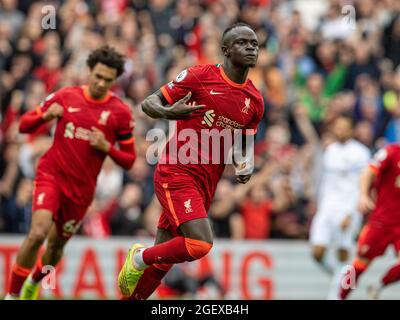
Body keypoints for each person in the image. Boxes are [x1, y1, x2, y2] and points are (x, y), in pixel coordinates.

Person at [118, 23, 264, 300]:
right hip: (177, 171)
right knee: (199, 243)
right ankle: (138, 257)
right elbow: (149, 103)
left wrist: (246, 164)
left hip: (205, 184)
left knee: (163, 262)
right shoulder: (199, 76)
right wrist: (169, 112)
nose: (250, 48)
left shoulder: (254, 100)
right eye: (243, 43)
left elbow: (245, 142)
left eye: (254, 44)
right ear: (225, 50)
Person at [5, 45, 136, 300]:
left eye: (107, 80)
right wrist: (44, 116)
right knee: (37, 233)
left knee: (54, 248)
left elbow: (129, 160)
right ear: (89, 71)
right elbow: (23, 125)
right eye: (97, 76)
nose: (100, 83)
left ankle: (35, 281)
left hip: (81, 190)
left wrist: (107, 147)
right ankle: (12, 295)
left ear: (114, 80)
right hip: (51, 175)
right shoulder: (66, 96)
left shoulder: (120, 113)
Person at [308, 114, 371, 299]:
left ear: (351, 130)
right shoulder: (330, 151)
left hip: (347, 209)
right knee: (317, 252)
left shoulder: (361, 153)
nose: (340, 130)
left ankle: (336, 295)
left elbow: (362, 185)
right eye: (337, 126)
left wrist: (352, 214)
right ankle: (343, 279)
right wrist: (318, 204)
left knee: (344, 253)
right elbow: (325, 182)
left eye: (344, 127)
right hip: (327, 208)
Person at [339, 143, 400, 299]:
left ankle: (378, 287)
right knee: (359, 264)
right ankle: (340, 296)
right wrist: (363, 195)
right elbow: (368, 171)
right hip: (382, 222)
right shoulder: (390, 152)